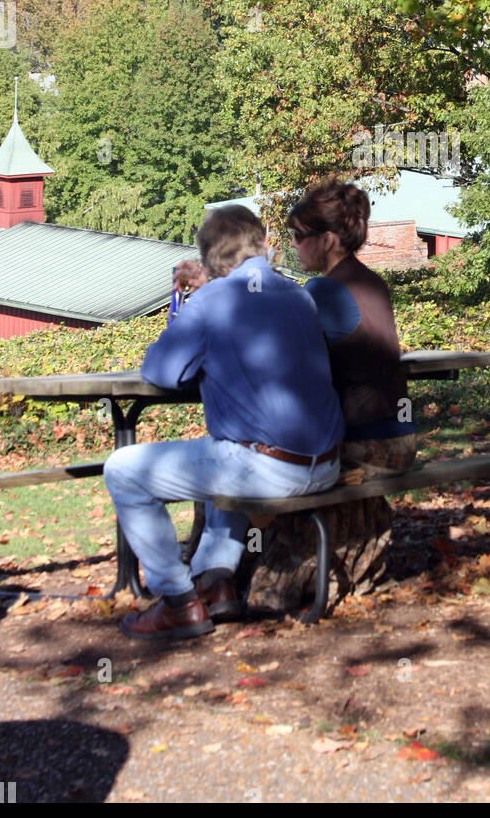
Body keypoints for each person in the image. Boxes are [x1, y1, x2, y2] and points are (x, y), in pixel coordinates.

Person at [103, 204, 345, 641]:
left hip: (269, 470)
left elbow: (161, 372)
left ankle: (177, 601)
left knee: (123, 469)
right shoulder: (299, 295)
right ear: (262, 244)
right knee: (223, 448)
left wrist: (195, 305)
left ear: (212, 260)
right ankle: (215, 581)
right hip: (325, 464)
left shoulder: (213, 300)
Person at [285, 180, 416, 476]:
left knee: (237, 477)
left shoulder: (324, 289)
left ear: (327, 240)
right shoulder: (371, 281)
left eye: (298, 235)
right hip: (398, 438)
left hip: (367, 446)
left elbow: (282, 360)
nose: (293, 243)